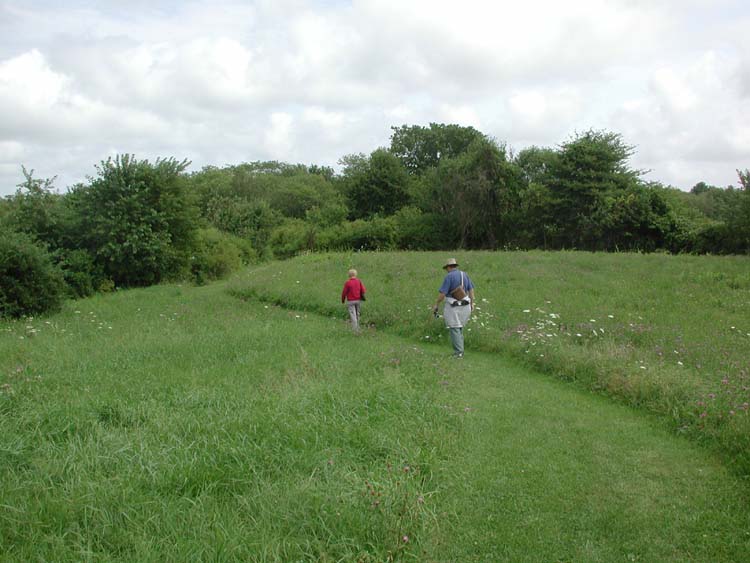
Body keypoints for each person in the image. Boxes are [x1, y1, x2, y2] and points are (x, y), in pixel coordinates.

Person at [432, 258, 475, 358]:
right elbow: (471, 291)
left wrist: (436, 304)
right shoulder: (464, 274)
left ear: (448, 267)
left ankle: (458, 353)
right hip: (465, 304)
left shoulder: (449, 277)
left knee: (454, 328)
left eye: (446, 268)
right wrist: (472, 303)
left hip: (453, 306)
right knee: (459, 328)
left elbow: (442, 294)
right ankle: (460, 351)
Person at [341, 268, 366, 333]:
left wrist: (343, 300)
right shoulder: (359, 281)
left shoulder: (348, 283)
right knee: (357, 314)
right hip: (358, 300)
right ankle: (358, 327)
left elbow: (344, 292)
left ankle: (355, 330)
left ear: (349, 275)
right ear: (356, 274)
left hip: (350, 301)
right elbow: (363, 290)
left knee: (353, 315)